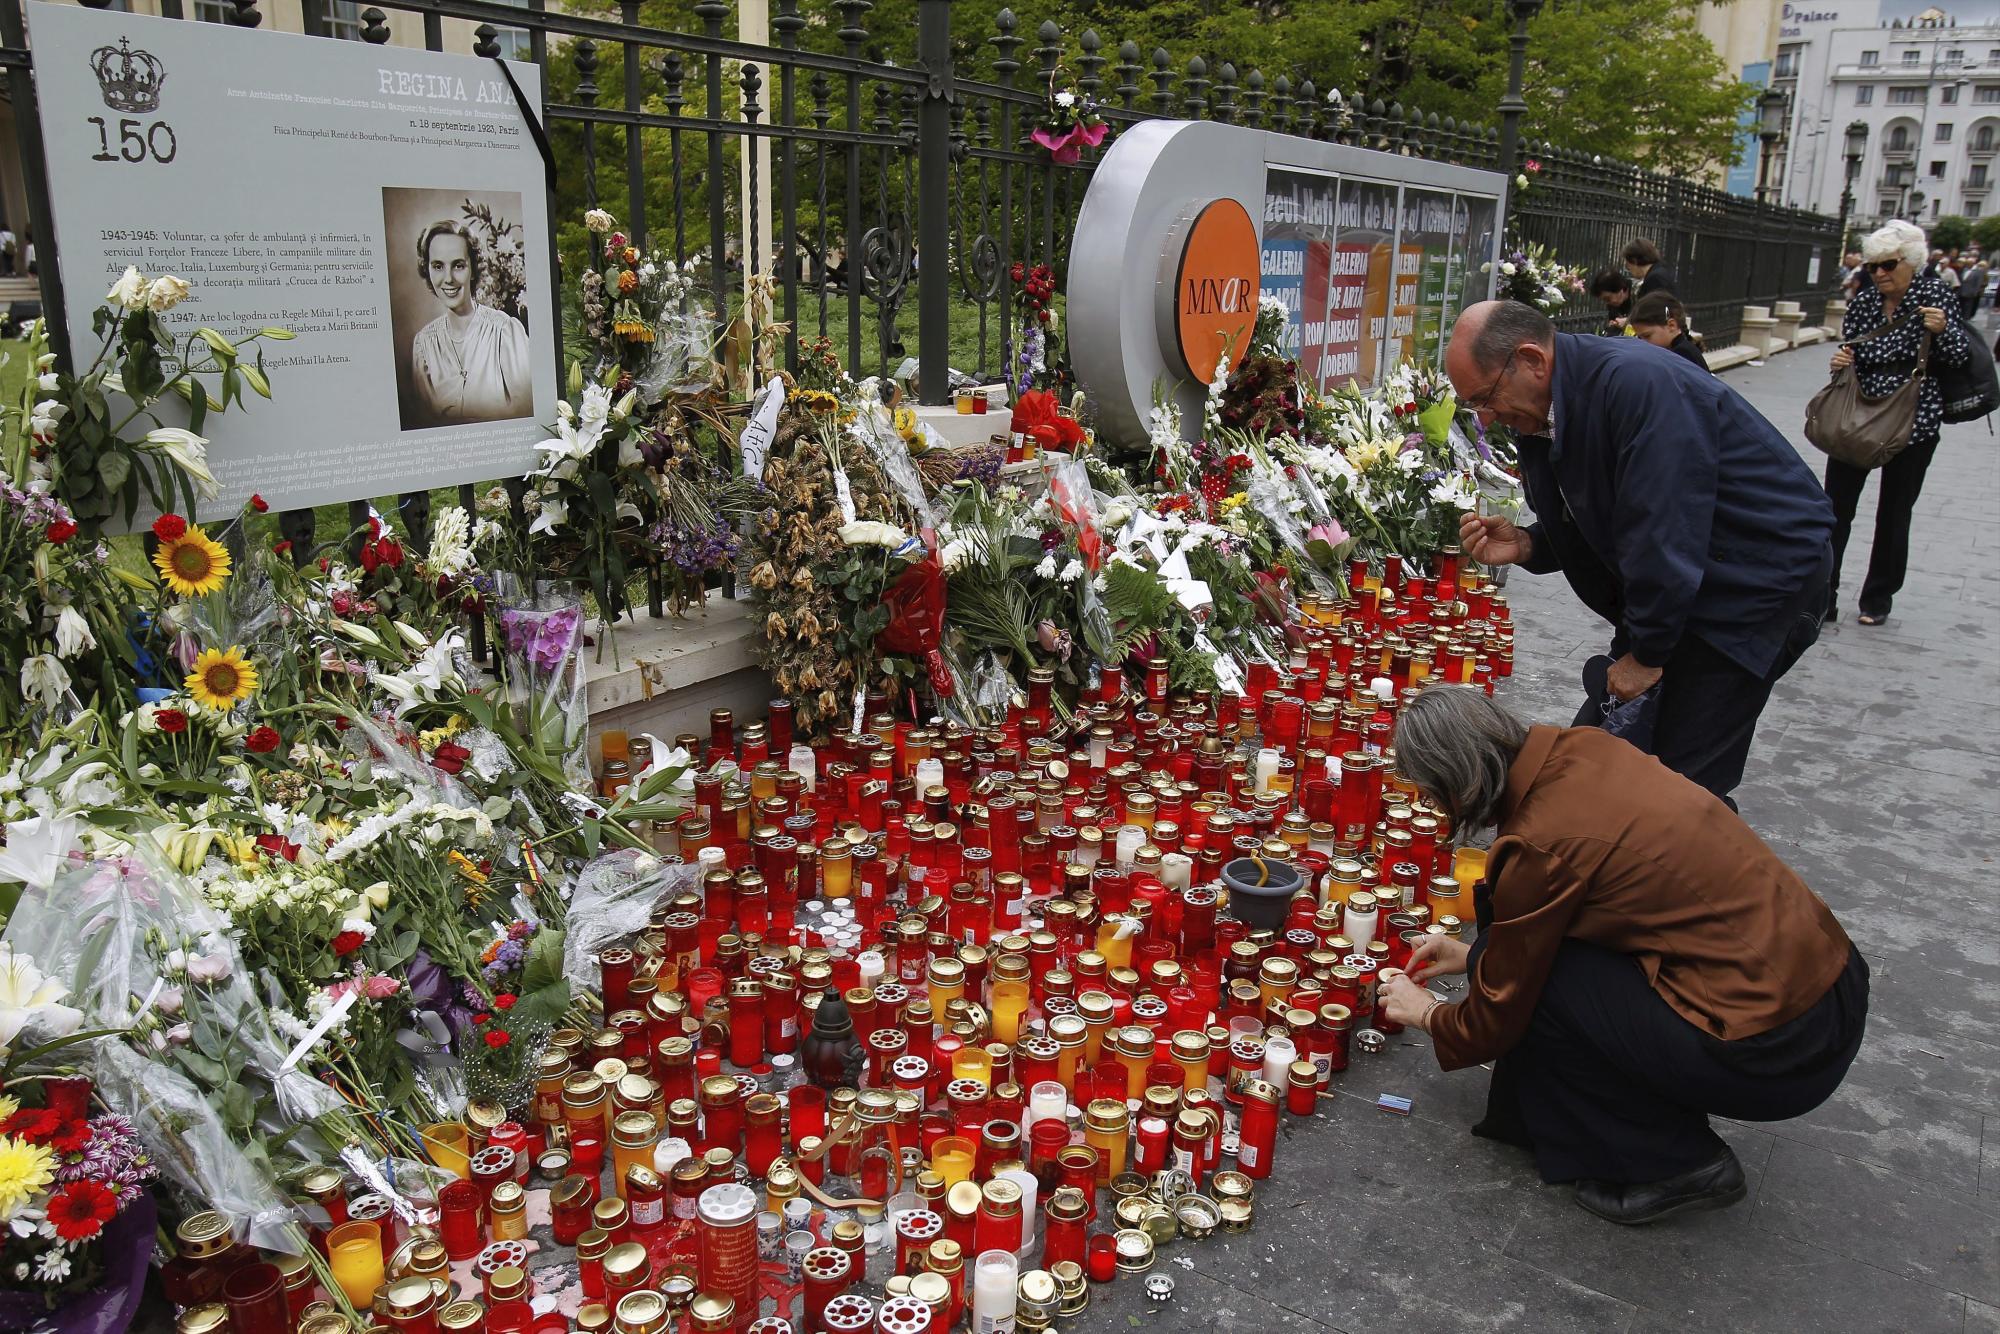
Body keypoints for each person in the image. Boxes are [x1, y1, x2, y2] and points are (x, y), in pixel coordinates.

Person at [1377, 687, 1867, 1226]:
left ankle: (1675, 1162)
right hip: (1829, 989)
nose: (1431, 807)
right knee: (1526, 963)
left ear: (1457, 780)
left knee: (1542, 993)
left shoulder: (1539, 843)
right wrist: (1473, 954)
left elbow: (1497, 1017)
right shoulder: (1585, 749)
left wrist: (1424, 1011)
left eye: (1430, 793)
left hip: (1779, 1050)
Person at [1443, 300, 1833, 803]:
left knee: (1676, 784)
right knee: (1610, 758)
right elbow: (1604, 510)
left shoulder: (1638, 385)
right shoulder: (1549, 406)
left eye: (1487, 398)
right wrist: (1533, 543)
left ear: (1532, 360)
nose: (1488, 416)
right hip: (1685, 586)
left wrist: (1647, 655)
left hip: (1754, 586)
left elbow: (1664, 528)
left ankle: (1693, 868)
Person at [1821, 219, 1968, 626]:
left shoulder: (1934, 296)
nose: (1880, 274)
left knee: (1894, 512)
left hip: (1913, 421)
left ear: (1911, 262)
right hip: (1857, 417)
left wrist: (1942, 332)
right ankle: (1823, 595)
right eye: (1873, 266)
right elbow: (1851, 349)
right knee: (1835, 509)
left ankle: (1877, 598)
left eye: (1888, 265)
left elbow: (1958, 356)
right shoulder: (1865, 301)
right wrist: (1840, 363)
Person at [409, 220, 533, 427]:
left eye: (458, 265)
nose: (448, 278)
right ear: (428, 270)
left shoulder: (504, 331)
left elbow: (528, 413)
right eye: (438, 266)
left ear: (473, 269)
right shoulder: (424, 345)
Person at [1627, 292, 1708, 371]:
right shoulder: (1679, 349)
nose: (1643, 343)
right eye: (1639, 338)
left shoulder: (1681, 354)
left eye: (1647, 336)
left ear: (1671, 325)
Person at [1587, 268, 1634, 335]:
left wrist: (1628, 322)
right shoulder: (1613, 306)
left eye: (1608, 299)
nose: (1608, 303)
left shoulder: (1641, 292)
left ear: (1620, 290)